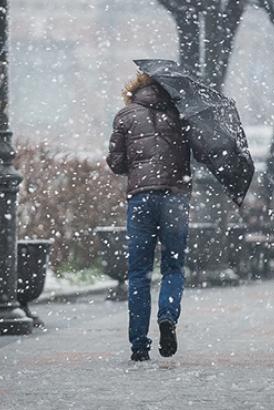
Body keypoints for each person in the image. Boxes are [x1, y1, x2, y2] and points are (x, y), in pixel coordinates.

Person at [107, 72, 192, 361]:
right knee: (172, 267)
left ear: (136, 89)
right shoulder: (181, 115)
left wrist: (129, 158)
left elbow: (117, 163)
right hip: (175, 198)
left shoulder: (125, 115)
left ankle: (139, 347)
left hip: (141, 198)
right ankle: (167, 317)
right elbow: (196, 154)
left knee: (138, 274)